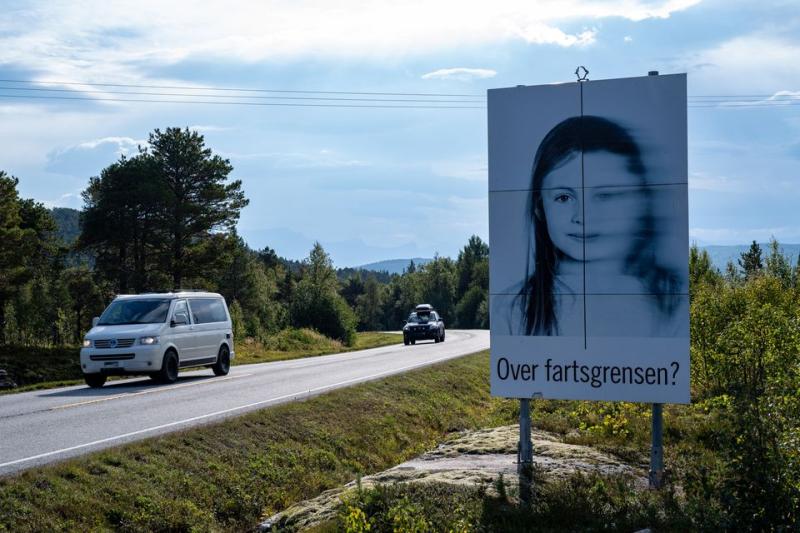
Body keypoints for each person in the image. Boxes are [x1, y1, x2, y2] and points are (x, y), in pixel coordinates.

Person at [505, 115, 684, 337]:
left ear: (641, 200)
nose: (583, 216)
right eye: (563, 197)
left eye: (605, 195)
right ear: (540, 208)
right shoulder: (513, 310)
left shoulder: (675, 305)